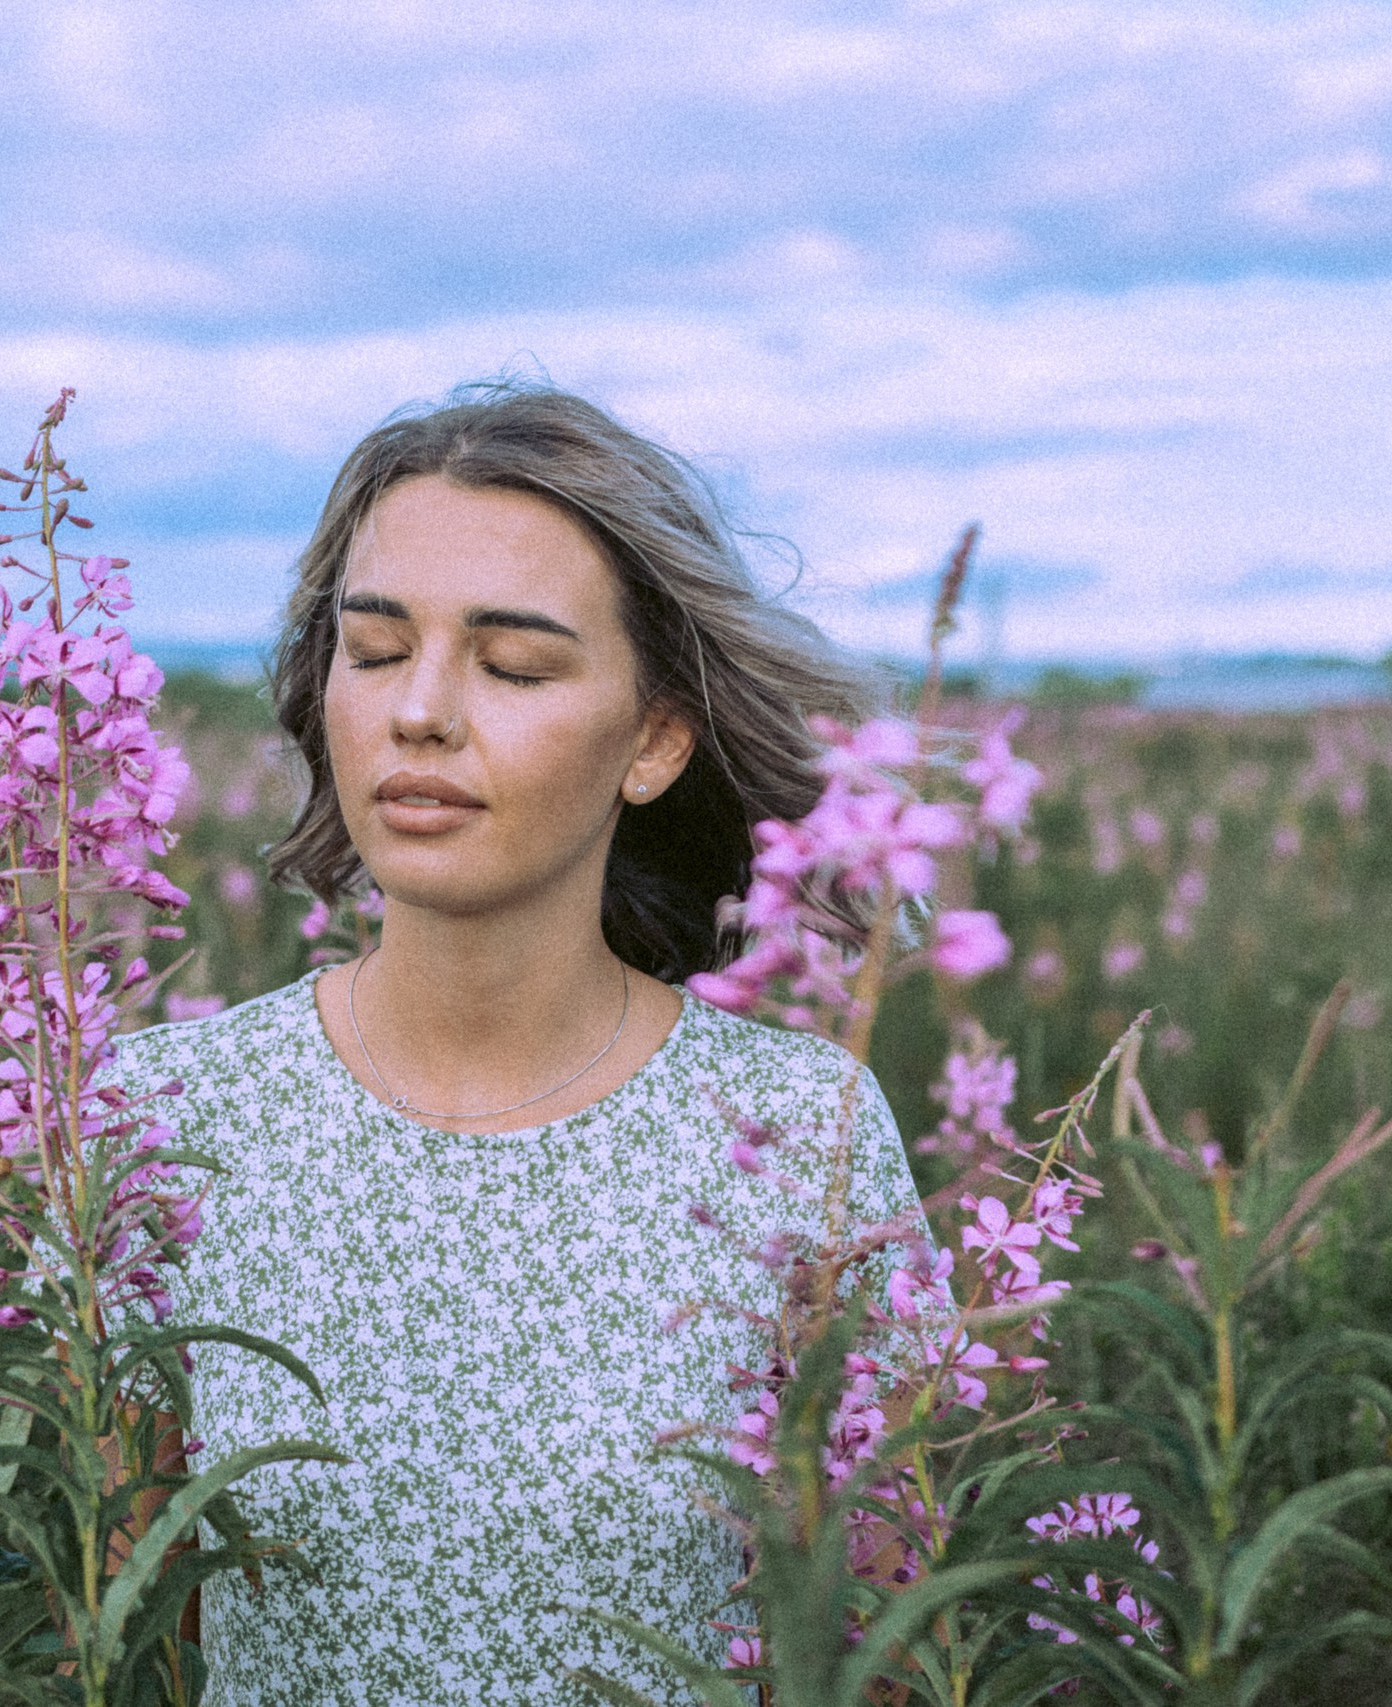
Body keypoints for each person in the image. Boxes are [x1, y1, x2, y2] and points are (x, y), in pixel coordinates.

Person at [113, 381, 932, 1704]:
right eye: (374, 650)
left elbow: (885, 1651)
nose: (421, 710)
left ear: (657, 738)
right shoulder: (160, 1116)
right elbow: (115, 1643)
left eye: (514, 665)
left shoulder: (798, 1132)